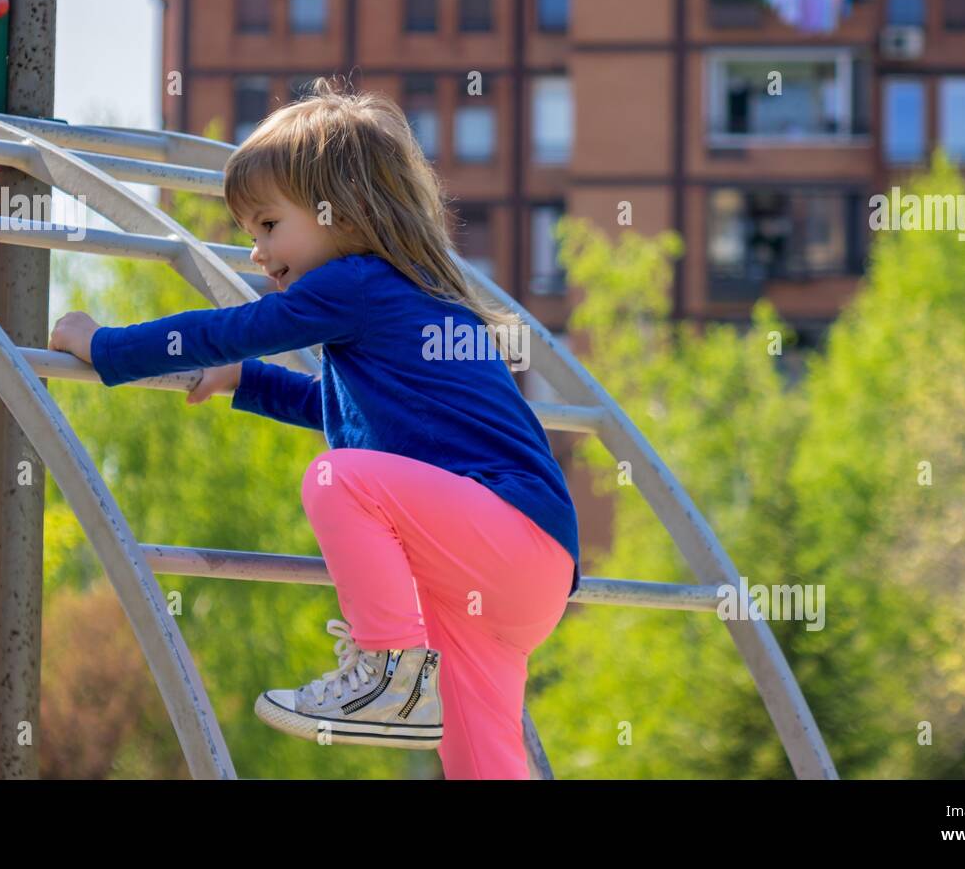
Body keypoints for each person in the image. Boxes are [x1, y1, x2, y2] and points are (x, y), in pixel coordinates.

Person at [47, 75, 580, 780]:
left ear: (347, 213)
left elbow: (232, 329)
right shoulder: (405, 305)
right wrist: (247, 381)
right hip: (520, 573)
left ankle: (387, 668)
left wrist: (105, 346)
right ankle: (400, 675)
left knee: (339, 481)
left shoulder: (355, 283)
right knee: (482, 760)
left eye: (270, 226)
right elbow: (333, 409)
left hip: (504, 532)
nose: (258, 254)